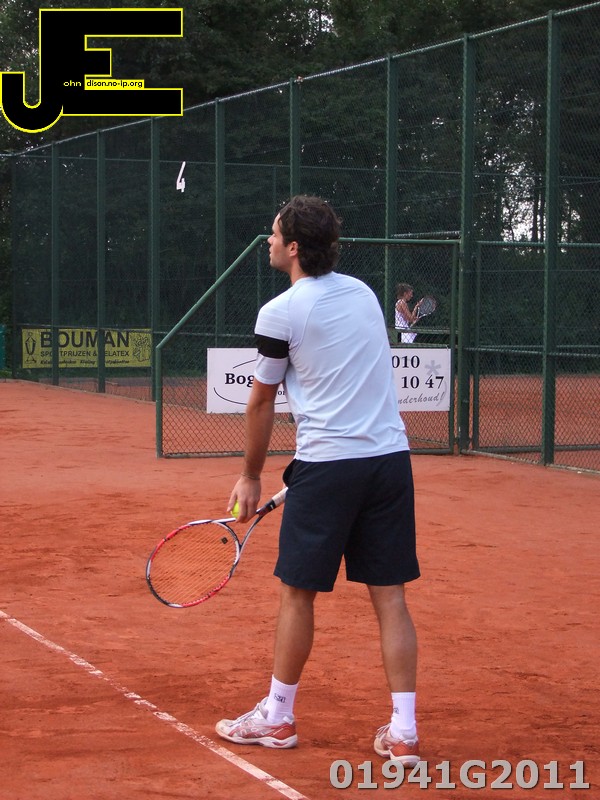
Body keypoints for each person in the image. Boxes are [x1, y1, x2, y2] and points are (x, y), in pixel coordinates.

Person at [216, 195, 421, 765]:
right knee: (391, 597)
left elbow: (261, 402)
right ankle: (404, 732)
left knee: (297, 594)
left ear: (294, 248)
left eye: (273, 233)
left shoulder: (279, 313)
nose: (268, 241)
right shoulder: (363, 293)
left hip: (329, 466)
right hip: (389, 462)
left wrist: (250, 476)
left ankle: (278, 718)